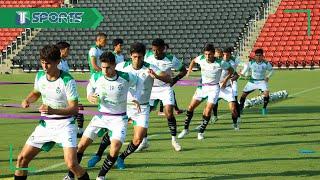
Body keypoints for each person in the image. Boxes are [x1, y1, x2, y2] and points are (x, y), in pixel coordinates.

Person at [87, 42, 171, 169]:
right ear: (131, 56)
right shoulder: (122, 66)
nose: (137, 60)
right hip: (123, 106)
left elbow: (169, 78)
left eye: (140, 57)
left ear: (144, 56)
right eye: (135, 57)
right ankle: (98, 154)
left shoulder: (150, 68)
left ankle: (122, 157)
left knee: (138, 139)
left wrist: (157, 76)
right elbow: (107, 77)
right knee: (113, 132)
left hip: (141, 107)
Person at [15, 45, 90, 180]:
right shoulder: (39, 76)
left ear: (57, 62)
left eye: (48, 63)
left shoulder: (67, 80)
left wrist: (52, 110)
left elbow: (74, 109)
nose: (44, 66)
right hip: (45, 125)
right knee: (21, 159)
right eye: (42, 62)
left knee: (72, 164)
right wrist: (27, 100)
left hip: (65, 125)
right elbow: (36, 93)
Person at [64, 52, 139, 180]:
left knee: (115, 148)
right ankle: (70, 175)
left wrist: (135, 98)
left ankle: (101, 176)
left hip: (119, 118)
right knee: (81, 145)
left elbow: (137, 85)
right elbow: (90, 86)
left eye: (108, 67)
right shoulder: (97, 76)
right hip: (101, 116)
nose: (105, 70)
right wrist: (89, 95)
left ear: (114, 65)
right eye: (103, 67)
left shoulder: (126, 77)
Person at [178, 43, 233, 140]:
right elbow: (193, 61)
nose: (207, 56)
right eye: (206, 54)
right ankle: (185, 129)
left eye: (209, 54)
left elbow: (231, 70)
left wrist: (225, 80)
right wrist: (189, 70)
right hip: (202, 87)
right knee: (190, 107)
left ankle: (201, 132)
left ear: (213, 54)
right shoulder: (201, 58)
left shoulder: (221, 63)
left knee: (207, 111)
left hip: (214, 88)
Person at [143, 38, 187, 151]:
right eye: (153, 50)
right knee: (144, 114)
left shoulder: (171, 59)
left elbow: (183, 70)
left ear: (163, 48)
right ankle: (144, 141)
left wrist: (175, 79)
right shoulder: (147, 56)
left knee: (169, 113)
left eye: (158, 50)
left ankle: (174, 140)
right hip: (151, 88)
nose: (155, 53)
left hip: (165, 88)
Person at [56, 41, 85, 137]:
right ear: (61, 50)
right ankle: (77, 131)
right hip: (62, 91)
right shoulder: (57, 62)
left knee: (78, 108)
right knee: (76, 109)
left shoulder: (64, 61)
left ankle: (79, 130)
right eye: (67, 50)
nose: (69, 52)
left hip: (68, 89)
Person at [239, 48, 274, 115]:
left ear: (262, 56)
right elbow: (246, 69)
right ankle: (241, 109)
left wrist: (267, 77)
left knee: (266, 93)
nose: (258, 57)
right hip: (252, 82)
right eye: (257, 55)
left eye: (260, 55)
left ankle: (264, 108)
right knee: (243, 95)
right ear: (255, 56)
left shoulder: (266, 63)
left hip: (262, 81)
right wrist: (243, 73)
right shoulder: (251, 63)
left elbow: (272, 71)